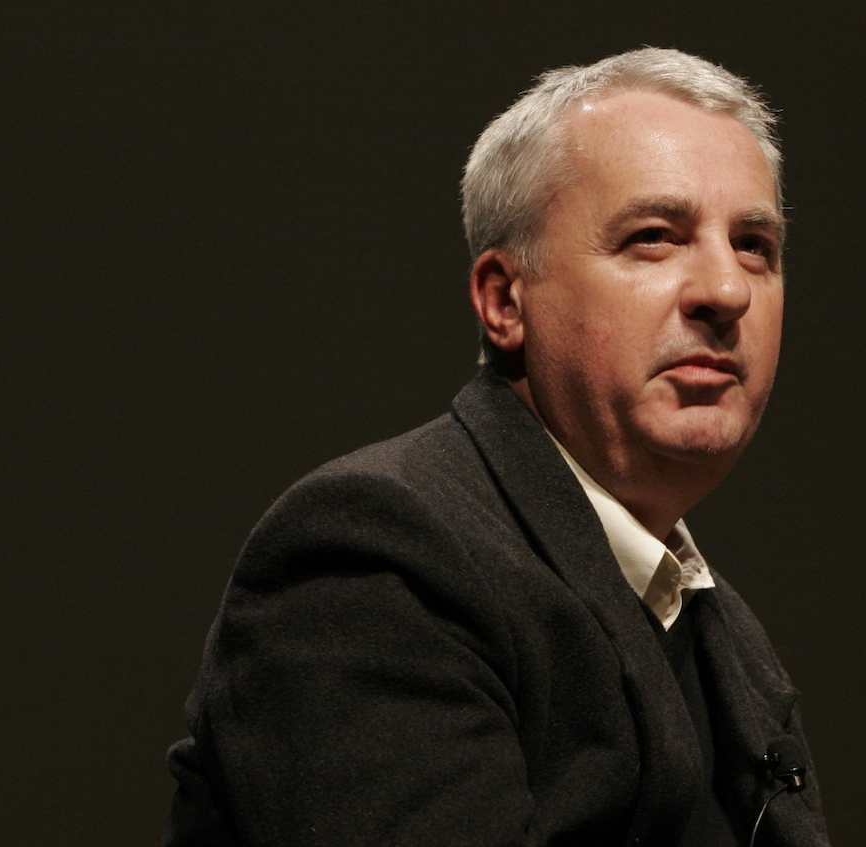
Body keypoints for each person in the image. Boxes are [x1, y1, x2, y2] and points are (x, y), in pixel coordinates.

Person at [163, 48, 830, 846]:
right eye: (655, 237)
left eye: (755, 244)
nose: (727, 289)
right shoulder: (378, 558)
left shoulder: (726, 634)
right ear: (505, 300)